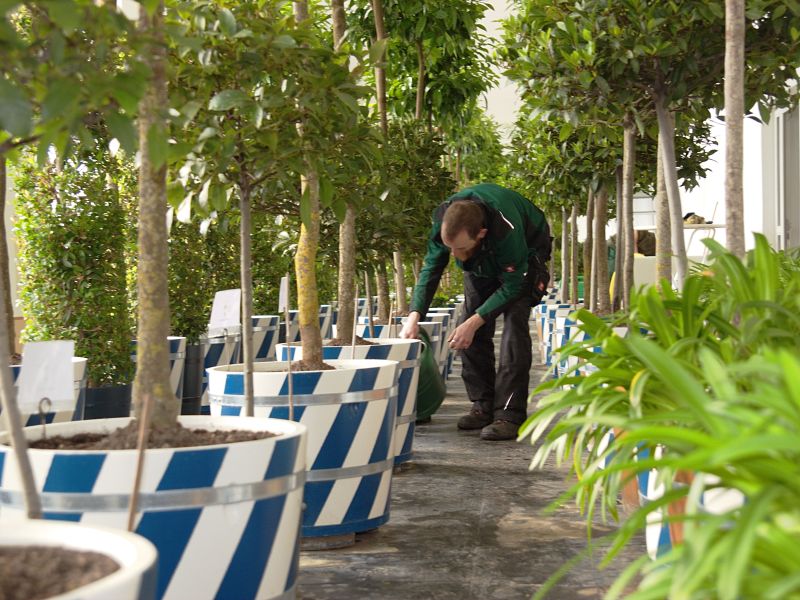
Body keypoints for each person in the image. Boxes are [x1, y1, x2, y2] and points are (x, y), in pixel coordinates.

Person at [399, 183, 552, 441]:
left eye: (460, 248)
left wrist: (475, 322)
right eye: (451, 248)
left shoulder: (506, 230)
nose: (454, 255)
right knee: (468, 324)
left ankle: (508, 414)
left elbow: (513, 285)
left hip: (524, 255)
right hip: (481, 261)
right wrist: (414, 315)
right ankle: (482, 404)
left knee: (513, 330)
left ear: (481, 233)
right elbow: (431, 268)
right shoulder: (444, 222)